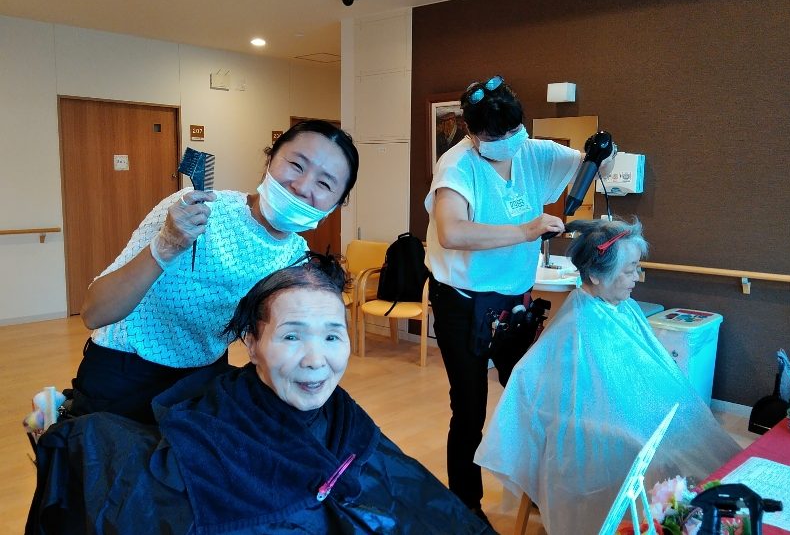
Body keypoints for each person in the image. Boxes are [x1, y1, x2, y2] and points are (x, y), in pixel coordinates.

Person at [27, 255, 495, 535]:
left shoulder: (345, 421)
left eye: (333, 336)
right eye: (292, 336)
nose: (316, 360)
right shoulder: (212, 427)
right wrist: (64, 437)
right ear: (251, 343)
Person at [69, 119, 359, 424]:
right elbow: (94, 313)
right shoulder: (194, 212)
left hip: (203, 380)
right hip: (122, 373)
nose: (302, 187)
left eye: (325, 184)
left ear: (336, 204)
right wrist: (166, 245)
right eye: (296, 165)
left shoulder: (295, 260)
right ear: (270, 159)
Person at [424, 74, 616, 522]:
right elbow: (452, 232)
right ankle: (465, 506)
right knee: (469, 406)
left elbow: (595, 169)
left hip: (513, 301)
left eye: (513, 130)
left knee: (533, 395)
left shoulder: (534, 152)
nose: (509, 141)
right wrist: (527, 230)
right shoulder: (457, 165)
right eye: (496, 136)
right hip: (461, 300)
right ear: (471, 132)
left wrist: (600, 157)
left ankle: (540, 488)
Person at [474, 218, 742, 535]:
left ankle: (687, 512)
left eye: (637, 268)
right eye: (629, 270)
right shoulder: (577, 325)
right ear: (596, 275)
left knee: (693, 430)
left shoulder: (624, 308)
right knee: (652, 451)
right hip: (589, 429)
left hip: (626, 412)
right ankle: (648, 520)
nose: (636, 278)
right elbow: (563, 401)